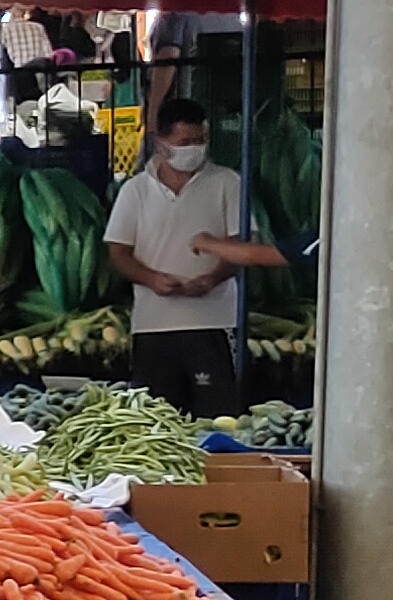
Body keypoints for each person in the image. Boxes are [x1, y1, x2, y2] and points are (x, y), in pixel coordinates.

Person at [102, 98, 278, 417]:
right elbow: (118, 252)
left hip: (214, 323)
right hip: (152, 327)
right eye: (184, 142)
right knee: (153, 422)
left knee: (218, 417)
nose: (194, 149)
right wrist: (153, 279)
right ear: (160, 143)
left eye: (200, 140)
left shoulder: (227, 182)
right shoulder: (135, 191)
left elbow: (243, 244)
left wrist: (212, 277)